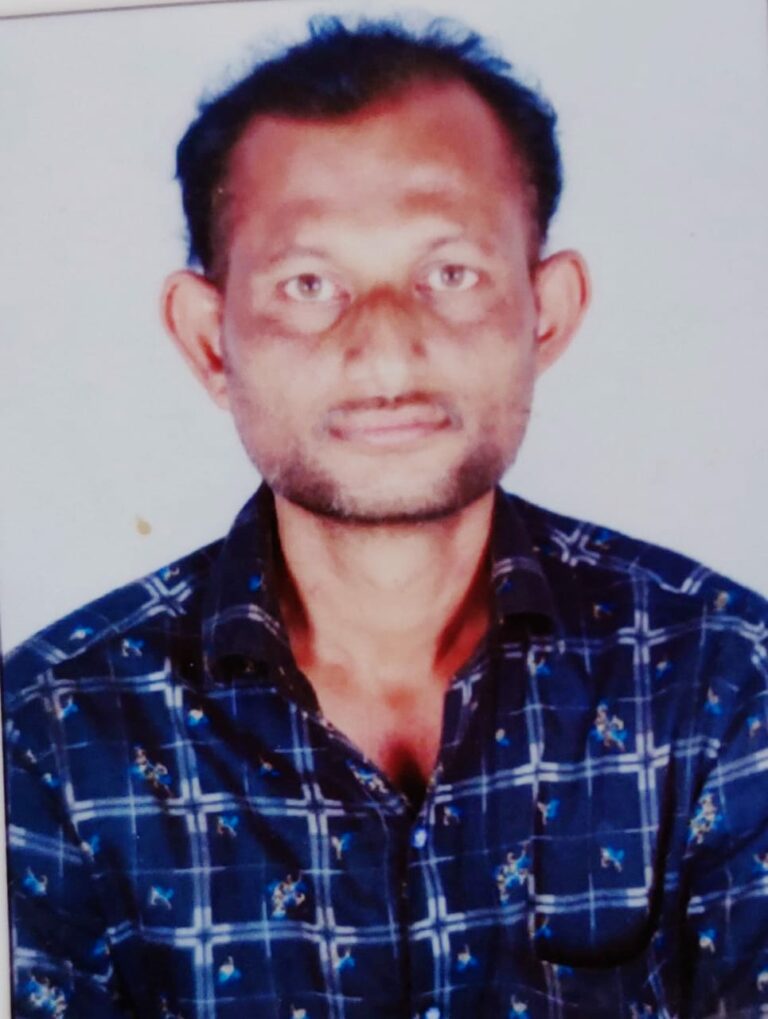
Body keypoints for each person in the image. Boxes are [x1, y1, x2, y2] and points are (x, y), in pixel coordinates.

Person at [3, 15, 766, 1019]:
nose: (386, 349)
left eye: (449, 273)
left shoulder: (723, 678)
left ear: (545, 311)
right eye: (309, 284)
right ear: (211, 340)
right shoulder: (46, 736)